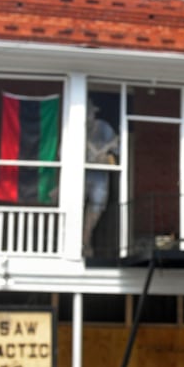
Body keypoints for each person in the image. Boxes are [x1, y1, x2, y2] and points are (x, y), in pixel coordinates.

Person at [83, 99, 119, 257]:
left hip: (99, 177)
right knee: (76, 206)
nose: (87, 117)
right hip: (80, 175)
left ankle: (86, 239)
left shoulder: (103, 128)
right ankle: (80, 243)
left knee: (97, 207)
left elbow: (117, 150)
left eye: (89, 113)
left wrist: (105, 156)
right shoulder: (75, 127)